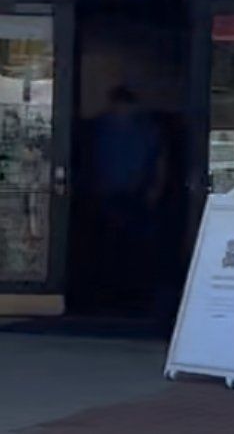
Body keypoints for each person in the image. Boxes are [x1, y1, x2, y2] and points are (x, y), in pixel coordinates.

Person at [85, 86, 166, 315]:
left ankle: (131, 294)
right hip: (109, 192)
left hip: (134, 193)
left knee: (132, 246)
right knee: (110, 243)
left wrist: (154, 189)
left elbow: (160, 160)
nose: (122, 111)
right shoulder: (100, 127)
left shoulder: (145, 129)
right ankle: (113, 293)